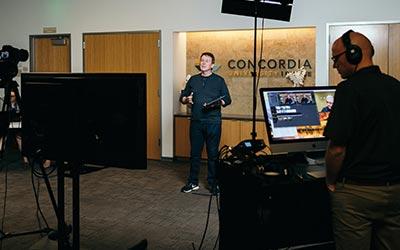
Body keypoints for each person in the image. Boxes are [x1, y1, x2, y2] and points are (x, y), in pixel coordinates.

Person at [323, 30, 400, 250]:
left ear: (353, 54)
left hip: (357, 194)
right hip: (395, 191)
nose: (335, 65)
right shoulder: (396, 86)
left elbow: (337, 149)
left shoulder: (349, 90)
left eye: (336, 58)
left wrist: (330, 182)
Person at [179, 52, 231, 194]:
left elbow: (228, 99)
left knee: (212, 155)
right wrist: (186, 99)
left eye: (207, 61)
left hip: (213, 122)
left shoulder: (219, 80)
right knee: (195, 154)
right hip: (196, 122)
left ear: (212, 65)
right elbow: (182, 97)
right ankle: (192, 182)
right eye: (202, 60)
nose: (203, 63)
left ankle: (213, 183)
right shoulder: (193, 80)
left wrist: (219, 102)